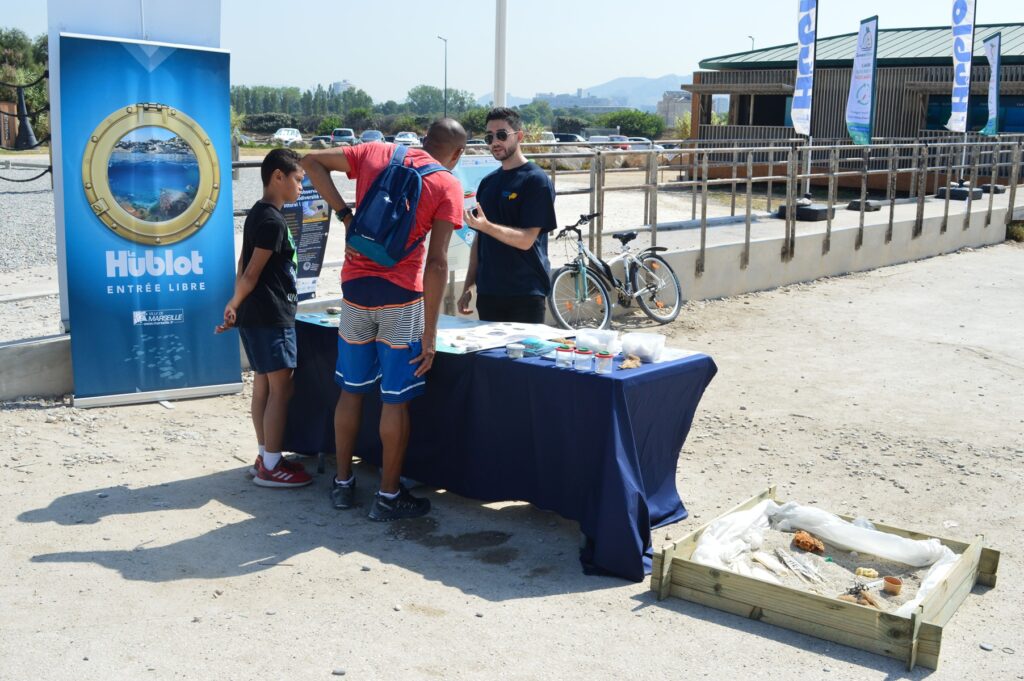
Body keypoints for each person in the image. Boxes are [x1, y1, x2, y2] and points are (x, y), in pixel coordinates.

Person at [301, 118, 466, 520]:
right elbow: (438, 263)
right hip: (402, 299)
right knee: (395, 401)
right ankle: (388, 498)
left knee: (351, 392)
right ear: (458, 153)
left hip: (356, 294)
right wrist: (430, 333)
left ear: (425, 139)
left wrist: (344, 215)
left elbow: (309, 160)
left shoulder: (376, 152)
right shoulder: (447, 184)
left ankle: (342, 486)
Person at [216, 148, 312, 488]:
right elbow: (252, 272)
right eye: (299, 180)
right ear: (278, 177)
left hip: (256, 313)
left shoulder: (258, 214)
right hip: (271, 315)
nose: (302, 186)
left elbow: (242, 266)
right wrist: (233, 303)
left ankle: (265, 455)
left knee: (263, 385)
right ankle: (271, 464)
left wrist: (236, 306)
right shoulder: (272, 220)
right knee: (281, 389)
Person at [459, 107, 558, 323]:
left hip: (525, 294)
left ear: (519, 136)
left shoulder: (536, 181)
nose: (495, 141)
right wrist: (469, 285)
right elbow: (479, 239)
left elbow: (526, 240)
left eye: (502, 135)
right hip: (488, 294)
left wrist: (486, 227)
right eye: (489, 137)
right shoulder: (487, 183)